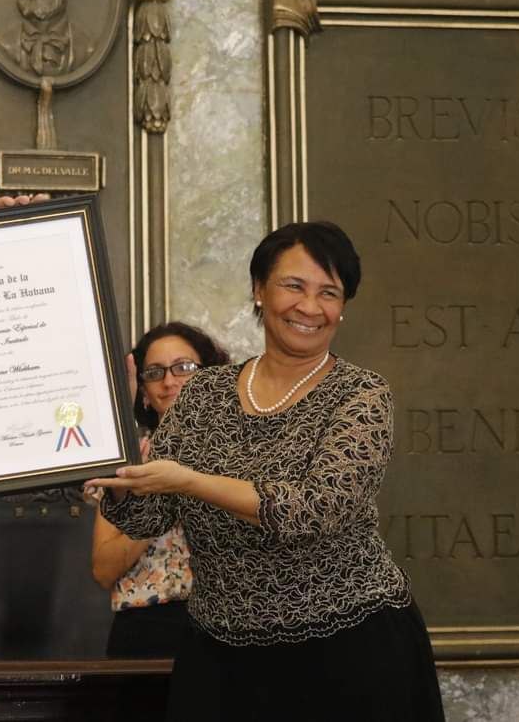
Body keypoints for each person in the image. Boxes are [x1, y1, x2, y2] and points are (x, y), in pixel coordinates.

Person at [87, 221, 445, 721]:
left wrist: (189, 480)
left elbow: (315, 509)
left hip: (349, 650)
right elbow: (147, 518)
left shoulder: (361, 394)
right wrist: (118, 465)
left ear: (343, 307)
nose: (310, 306)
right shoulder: (203, 394)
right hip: (221, 656)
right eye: (293, 285)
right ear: (259, 289)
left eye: (329, 293)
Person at [90, 322, 229, 658]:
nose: (170, 381)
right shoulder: (129, 460)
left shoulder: (238, 454)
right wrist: (159, 492)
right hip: (145, 630)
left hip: (229, 629)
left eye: (184, 368)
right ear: (144, 391)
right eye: (155, 372)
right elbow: (103, 570)